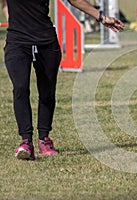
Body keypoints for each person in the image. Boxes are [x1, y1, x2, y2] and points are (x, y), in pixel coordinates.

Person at [5, 0, 124, 160]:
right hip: (17, 42)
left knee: (47, 91)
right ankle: (26, 142)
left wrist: (101, 17)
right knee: (20, 88)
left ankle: (44, 139)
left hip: (46, 41)